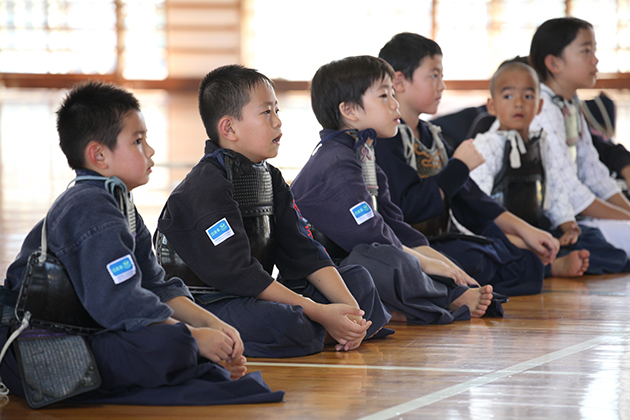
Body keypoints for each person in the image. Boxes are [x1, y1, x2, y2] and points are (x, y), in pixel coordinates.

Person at [0, 81, 284, 407]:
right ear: (98, 154)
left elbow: (155, 284)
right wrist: (193, 337)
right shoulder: (89, 206)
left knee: (182, 343)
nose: (150, 151)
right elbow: (121, 303)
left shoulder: (119, 203)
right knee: (171, 346)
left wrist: (213, 324)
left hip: (92, 331)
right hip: (45, 347)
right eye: (138, 141)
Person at [156, 65, 391, 359]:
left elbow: (304, 251)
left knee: (358, 280)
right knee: (285, 322)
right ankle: (332, 331)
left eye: (276, 110)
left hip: (256, 296)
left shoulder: (271, 177)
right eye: (266, 113)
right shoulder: (205, 187)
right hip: (212, 303)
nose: (278, 122)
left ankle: (342, 329)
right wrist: (320, 311)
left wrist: (349, 310)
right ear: (229, 128)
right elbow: (241, 275)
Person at [290, 55, 503, 326]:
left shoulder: (363, 153)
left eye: (393, 93)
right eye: (384, 95)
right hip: (322, 277)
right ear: (349, 111)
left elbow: (394, 224)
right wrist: (424, 263)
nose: (394, 103)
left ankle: (418, 304)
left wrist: (443, 263)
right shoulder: (335, 161)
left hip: (359, 256)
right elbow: (368, 234)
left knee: (429, 256)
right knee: (387, 260)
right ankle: (442, 299)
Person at [374, 33, 570, 292]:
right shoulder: (385, 139)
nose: (442, 86)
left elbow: (472, 198)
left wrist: (527, 231)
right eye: (434, 75)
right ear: (399, 80)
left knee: (505, 251)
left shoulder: (432, 135)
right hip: (410, 247)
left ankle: (535, 266)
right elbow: (409, 208)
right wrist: (459, 167)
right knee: (478, 258)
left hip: (441, 240)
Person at [470, 60, 629, 275]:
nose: (518, 104)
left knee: (594, 242)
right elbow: (477, 206)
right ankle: (551, 267)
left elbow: (556, 190)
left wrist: (568, 226)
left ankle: (550, 257)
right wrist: (523, 238)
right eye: (508, 96)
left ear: (540, 105)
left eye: (528, 96)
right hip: (502, 234)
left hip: (538, 228)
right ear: (492, 105)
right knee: (491, 255)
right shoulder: (486, 146)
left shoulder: (540, 142)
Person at [529, 17, 630, 257]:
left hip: (580, 214)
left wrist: (627, 213)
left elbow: (592, 171)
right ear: (554, 63)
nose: (595, 59)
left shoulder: (569, 103)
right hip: (553, 222)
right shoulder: (543, 108)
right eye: (586, 50)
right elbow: (572, 194)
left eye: (594, 50)